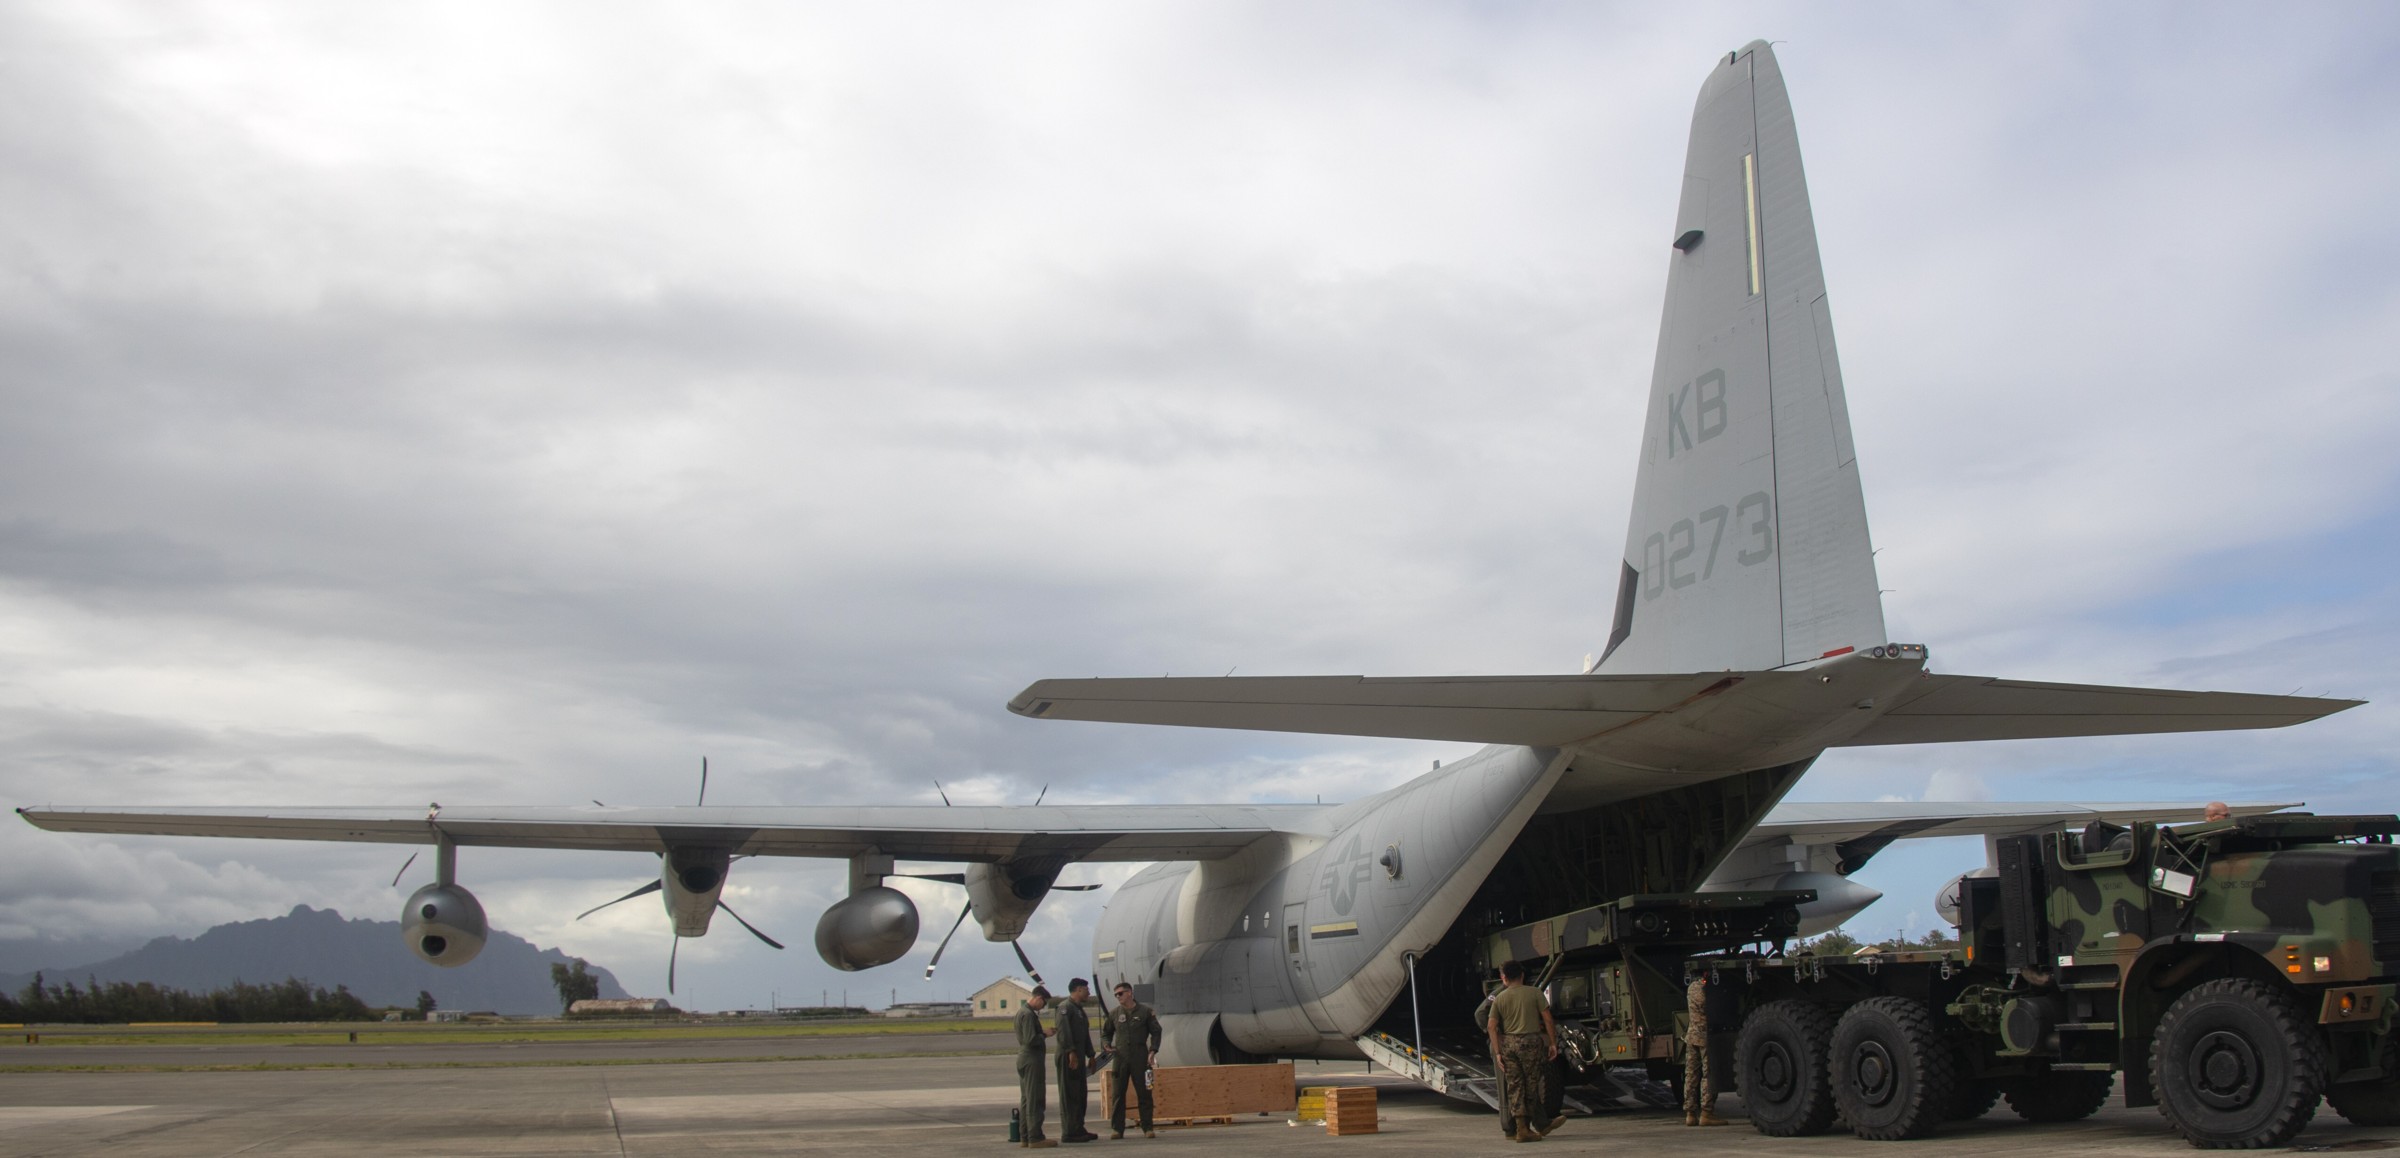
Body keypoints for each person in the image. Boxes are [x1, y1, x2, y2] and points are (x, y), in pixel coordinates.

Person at [1485, 960, 1560, 1143]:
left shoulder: (1500, 998)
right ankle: (1529, 1129)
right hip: (1530, 1043)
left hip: (1509, 1044)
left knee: (1515, 1086)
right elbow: (1548, 1020)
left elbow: (1491, 1026)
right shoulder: (1534, 993)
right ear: (1522, 975)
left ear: (1504, 978)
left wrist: (1498, 1052)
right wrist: (1552, 1043)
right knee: (1531, 1086)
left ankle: (1521, 1129)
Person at [1103, 981, 1162, 1139]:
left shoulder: (1145, 1012)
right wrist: (1106, 1044)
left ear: (1129, 993)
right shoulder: (1115, 1013)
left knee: (1144, 1093)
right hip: (1121, 1058)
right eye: (1116, 995)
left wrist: (1152, 1051)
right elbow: (1106, 1032)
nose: (1118, 997)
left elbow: (1156, 1031)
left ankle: (1147, 1127)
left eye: (1120, 993)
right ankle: (1117, 1129)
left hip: (1140, 1057)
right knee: (1118, 1095)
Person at [1055, 979, 1098, 1144]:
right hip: (1069, 1057)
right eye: (1086, 989)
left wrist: (1091, 1055)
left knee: (1080, 1093)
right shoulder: (1065, 1008)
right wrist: (1071, 1052)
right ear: (1078, 990)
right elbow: (1064, 1032)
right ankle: (1069, 1132)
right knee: (1069, 1094)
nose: (1089, 992)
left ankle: (1078, 1128)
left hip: (1078, 1056)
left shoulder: (1078, 1010)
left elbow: (1084, 1035)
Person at [1016, 985, 1057, 1148]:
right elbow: (1030, 1040)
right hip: (1031, 1059)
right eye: (1044, 1003)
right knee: (1035, 1098)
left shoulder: (1022, 1012)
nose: (1043, 1007)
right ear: (1039, 998)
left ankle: (1025, 1136)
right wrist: (1045, 1034)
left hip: (1025, 1059)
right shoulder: (1028, 1015)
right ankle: (1035, 1137)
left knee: (1026, 1099)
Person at [1683, 974, 1723, 1127]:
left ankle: (1690, 1114)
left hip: (1692, 1035)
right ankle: (1707, 1112)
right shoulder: (1704, 989)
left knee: (1691, 1074)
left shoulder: (1691, 987)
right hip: (1704, 1035)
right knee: (1708, 1073)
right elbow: (1708, 1007)